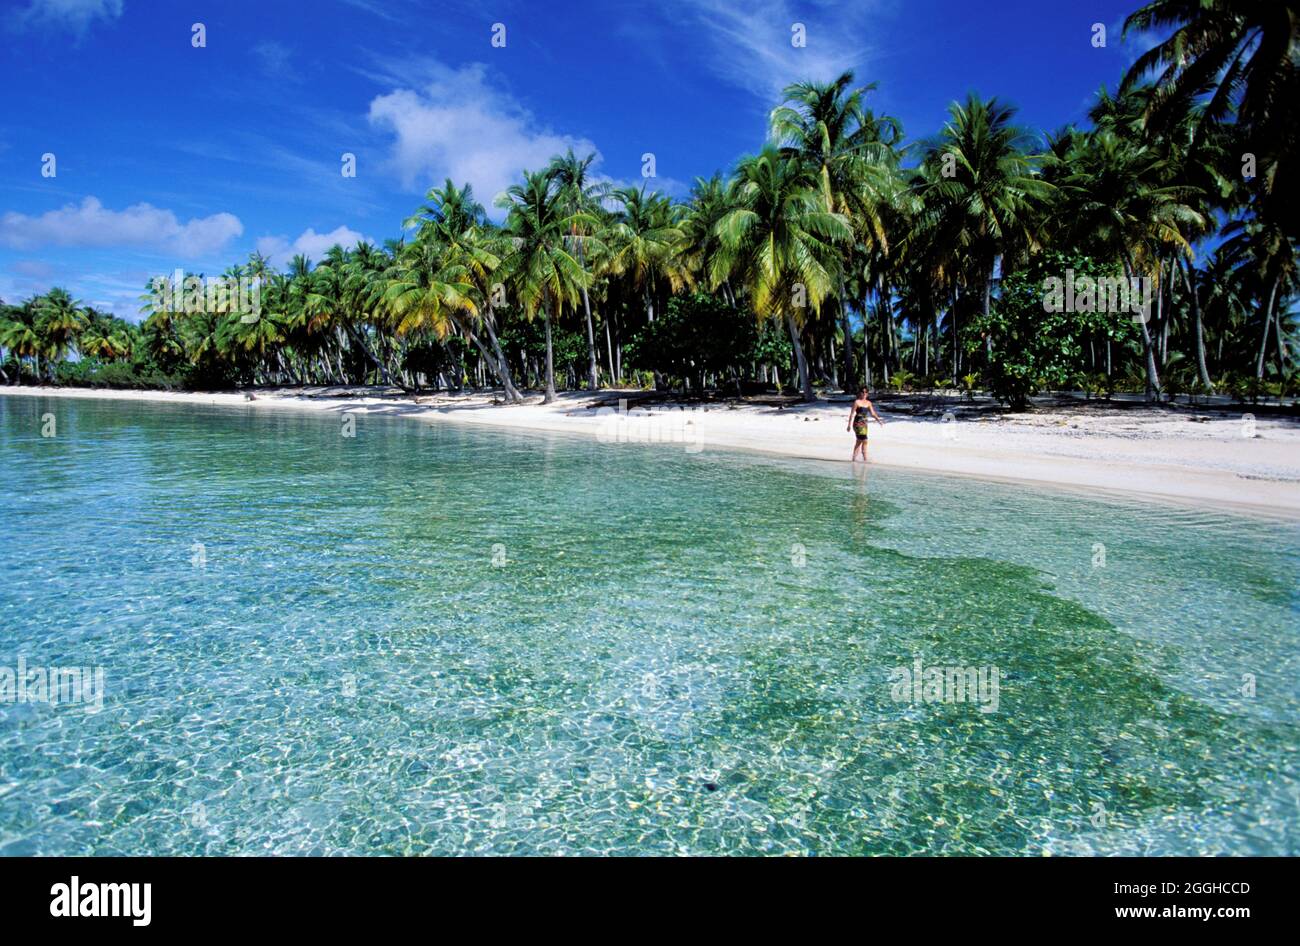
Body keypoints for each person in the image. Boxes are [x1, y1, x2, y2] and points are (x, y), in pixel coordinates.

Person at [847, 387, 885, 462]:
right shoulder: (857, 402)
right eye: (862, 392)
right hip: (857, 423)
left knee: (860, 441)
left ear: (867, 393)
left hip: (864, 424)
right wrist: (849, 425)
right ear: (860, 393)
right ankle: (864, 459)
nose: (864, 394)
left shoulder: (868, 403)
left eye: (866, 392)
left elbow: (873, 413)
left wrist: (879, 421)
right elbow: (851, 414)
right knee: (864, 440)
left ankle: (855, 459)